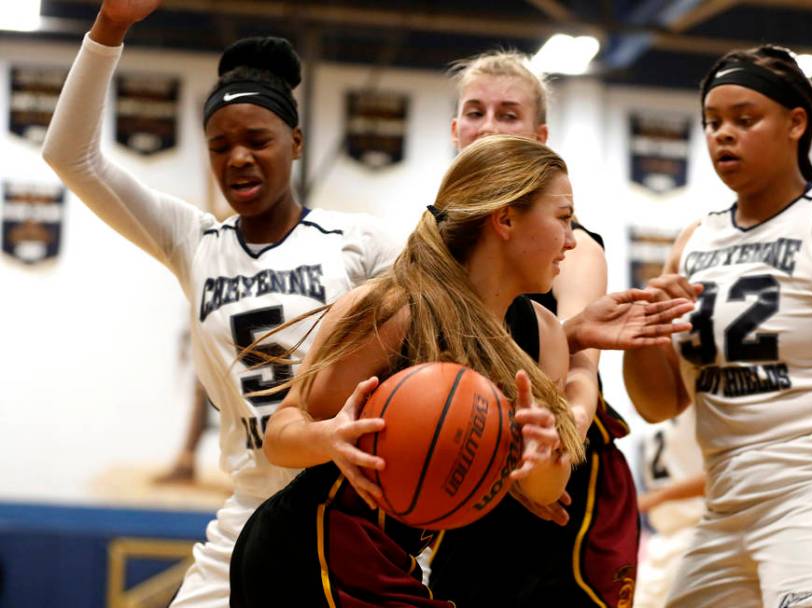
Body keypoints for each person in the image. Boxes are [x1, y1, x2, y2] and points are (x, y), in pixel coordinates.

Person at [42, 2, 400, 606]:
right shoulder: (195, 241)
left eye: (257, 140)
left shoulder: (360, 241)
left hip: (360, 504)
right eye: (219, 145)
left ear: (295, 141)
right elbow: (70, 156)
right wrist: (110, 26)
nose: (238, 157)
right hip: (253, 506)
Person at [623, 44, 812, 608]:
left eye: (744, 119)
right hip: (729, 497)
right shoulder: (692, 241)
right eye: (712, 123)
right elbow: (659, 404)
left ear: (796, 123)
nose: (723, 135)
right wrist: (643, 335)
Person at [230, 134, 587, 606]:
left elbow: (547, 495)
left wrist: (541, 459)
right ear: (505, 218)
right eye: (563, 218)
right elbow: (281, 434)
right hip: (309, 551)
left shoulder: (543, 336)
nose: (571, 240)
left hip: (393, 556)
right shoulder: (396, 308)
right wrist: (329, 438)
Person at [425, 50, 694, 608]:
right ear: (454, 130)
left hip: (563, 466)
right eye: (475, 112)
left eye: (508, 115)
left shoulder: (572, 245)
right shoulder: (433, 246)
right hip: (474, 454)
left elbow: (579, 372)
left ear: (539, 138)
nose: (488, 127)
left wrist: (553, 455)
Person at [633, 408, 705, 608]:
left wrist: (659, 497)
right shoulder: (646, 410)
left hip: (700, 529)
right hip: (663, 538)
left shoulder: (700, 401)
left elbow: (721, 473)